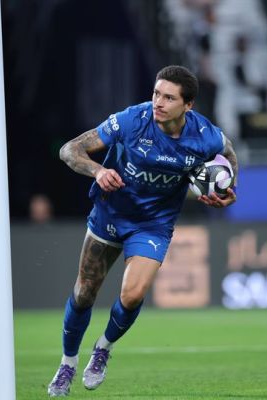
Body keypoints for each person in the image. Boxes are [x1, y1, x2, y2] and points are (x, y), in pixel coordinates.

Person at [47, 65, 238, 397]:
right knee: (84, 293)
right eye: (156, 93)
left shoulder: (206, 136)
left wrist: (228, 190)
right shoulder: (132, 120)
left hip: (153, 223)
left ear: (188, 105)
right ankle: (67, 363)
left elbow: (229, 155)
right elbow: (69, 150)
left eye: (169, 97)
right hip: (111, 212)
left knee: (133, 294)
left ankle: (103, 348)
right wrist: (98, 171)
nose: (158, 102)